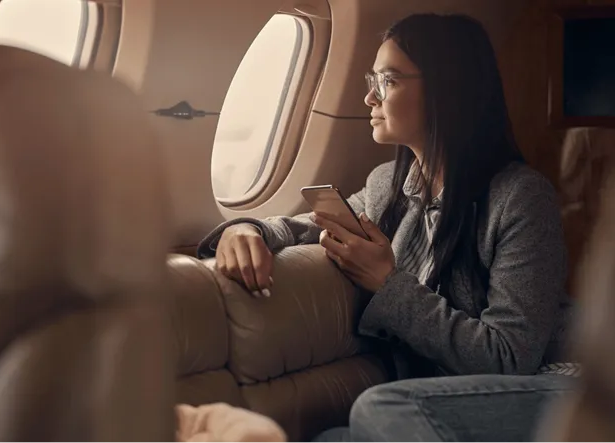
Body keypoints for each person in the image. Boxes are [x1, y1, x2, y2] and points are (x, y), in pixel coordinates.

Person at [198, 12, 576, 443]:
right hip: (448, 394)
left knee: (383, 406)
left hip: (554, 388)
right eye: (371, 81)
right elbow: (311, 224)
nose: (369, 99)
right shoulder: (389, 187)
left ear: (446, 90)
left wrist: (388, 283)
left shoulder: (521, 196)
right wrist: (246, 230)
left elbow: (510, 359)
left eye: (388, 81)